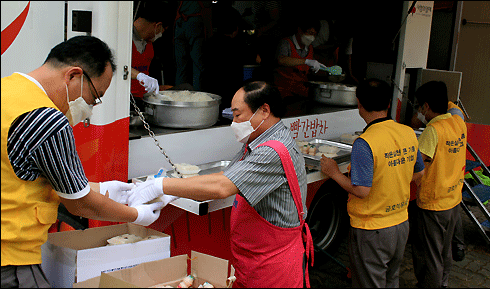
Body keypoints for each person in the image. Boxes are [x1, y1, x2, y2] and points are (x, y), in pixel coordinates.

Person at [1, 36, 167, 288]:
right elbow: (80, 204)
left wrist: (108, 189)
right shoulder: (46, 120)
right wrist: (136, 214)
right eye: (95, 96)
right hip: (9, 258)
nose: (91, 107)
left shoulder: (7, 89)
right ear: (73, 76)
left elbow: (25, 172)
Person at [129, 81, 314, 288]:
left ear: (264, 110)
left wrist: (161, 186)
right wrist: (173, 192)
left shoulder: (272, 151)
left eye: (238, 115)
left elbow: (222, 187)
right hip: (254, 260)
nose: (234, 123)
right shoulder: (256, 141)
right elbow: (225, 175)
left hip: (275, 267)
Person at [320, 79, 425, 288]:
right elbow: (420, 172)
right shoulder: (407, 133)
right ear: (389, 104)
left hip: (372, 230)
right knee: (390, 280)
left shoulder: (365, 142)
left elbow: (361, 190)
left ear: (359, 104)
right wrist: (393, 181)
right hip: (401, 224)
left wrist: (333, 173)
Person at [410, 81, 468, 288]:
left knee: (429, 253)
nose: (419, 111)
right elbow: (452, 106)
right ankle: (442, 283)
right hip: (453, 199)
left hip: (433, 203)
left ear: (425, 106)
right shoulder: (458, 121)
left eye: (419, 106)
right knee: (444, 250)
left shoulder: (433, 130)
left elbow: (419, 167)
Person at [131, 1, 176, 111]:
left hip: (145, 99)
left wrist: (158, 88)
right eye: (163, 31)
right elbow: (117, 65)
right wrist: (139, 75)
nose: (160, 35)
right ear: (158, 26)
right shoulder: (122, 38)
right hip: (127, 101)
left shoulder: (149, 45)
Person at [274, 17, 325, 102]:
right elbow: (281, 60)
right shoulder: (286, 43)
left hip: (301, 92)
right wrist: (306, 61)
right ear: (299, 30)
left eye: (314, 35)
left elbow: (310, 69)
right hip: (283, 91)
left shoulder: (310, 48)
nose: (312, 37)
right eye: (310, 33)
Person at [174, 1, 213, 91]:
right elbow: (207, 4)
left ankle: (179, 96)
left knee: (181, 65)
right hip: (194, 21)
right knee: (197, 64)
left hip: (180, 22)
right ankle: (197, 96)